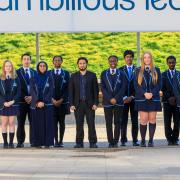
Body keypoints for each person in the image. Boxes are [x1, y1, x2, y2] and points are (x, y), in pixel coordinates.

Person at [69, 57, 99, 148]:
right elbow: (71, 91)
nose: (82, 65)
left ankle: (93, 142)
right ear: (78, 65)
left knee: (91, 124)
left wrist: (95, 103)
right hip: (78, 104)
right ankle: (79, 142)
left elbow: (95, 91)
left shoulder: (92, 75)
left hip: (89, 104)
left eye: (84, 63)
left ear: (86, 64)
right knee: (79, 124)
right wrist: (71, 104)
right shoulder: (73, 76)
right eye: (80, 63)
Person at [134, 51, 162, 147]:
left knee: (152, 119)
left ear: (151, 59)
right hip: (142, 98)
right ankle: (142, 140)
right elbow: (136, 85)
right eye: (145, 57)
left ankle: (150, 140)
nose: (147, 59)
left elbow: (159, 84)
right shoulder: (138, 70)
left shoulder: (156, 70)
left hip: (153, 99)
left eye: (148, 57)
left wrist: (152, 93)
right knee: (143, 119)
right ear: (142, 59)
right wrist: (144, 93)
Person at [101, 55, 126, 148]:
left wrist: (116, 98)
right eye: (111, 61)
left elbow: (123, 87)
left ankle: (115, 141)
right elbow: (103, 88)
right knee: (108, 122)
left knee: (117, 122)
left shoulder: (122, 73)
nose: (112, 62)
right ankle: (110, 141)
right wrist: (110, 98)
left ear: (117, 62)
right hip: (107, 102)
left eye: (114, 61)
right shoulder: (104, 73)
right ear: (108, 62)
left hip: (118, 102)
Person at [30, 61, 54, 148]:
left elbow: (51, 91)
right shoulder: (33, 78)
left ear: (46, 67)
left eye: (44, 66)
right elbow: (32, 91)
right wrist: (37, 102)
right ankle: (38, 143)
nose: (42, 67)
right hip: (36, 105)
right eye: (40, 66)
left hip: (47, 104)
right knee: (38, 124)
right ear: (38, 67)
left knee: (48, 124)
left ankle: (48, 142)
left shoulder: (50, 77)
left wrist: (44, 101)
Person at [16, 54, 37, 148]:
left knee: (33, 122)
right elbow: (16, 87)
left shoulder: (34, 72)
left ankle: (33, 141)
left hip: (32, 101)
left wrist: (32, 97)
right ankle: (20, 141)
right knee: (20, 122)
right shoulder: (16, 72)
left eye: (28, 59)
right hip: (21, 101)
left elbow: (37, 87)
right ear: (22, 61)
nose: (26, 61)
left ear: (30, 61)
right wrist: (24, 96)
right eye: (24, 59)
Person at [120, 50, 139, 146]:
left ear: (133, 58)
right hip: (123, 100)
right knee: (123, 120)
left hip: (134, 99)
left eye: (131, 56)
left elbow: (139, 85)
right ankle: (123, 140)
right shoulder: (120, 70)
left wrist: (132, 96)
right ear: (124, 58)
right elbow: (119, 85)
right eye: (127, 57)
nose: (129, 58)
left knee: (134, 120)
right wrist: (124, 97)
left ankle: (135, 140)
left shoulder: (138, 70)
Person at [50, 56, 70, 148]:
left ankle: (61, 140)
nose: (57, 62)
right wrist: (52, 99)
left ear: (62, 61)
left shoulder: (66, 73)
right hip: (52, 102)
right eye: (55, 60)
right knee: (53, 123)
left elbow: (68, 89)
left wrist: (62, 99)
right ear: (53, 62)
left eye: (59, 60)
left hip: (62, 103)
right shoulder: (49, 73)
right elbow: (47, 88)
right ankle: (55, 141)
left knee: (62, 122)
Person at [0, 60, 20, 148]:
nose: (8, 68)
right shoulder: (0, 78)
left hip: (13, 103)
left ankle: (11, 143)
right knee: (4, 123)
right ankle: (5, 143)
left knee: (12, 123)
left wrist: (12, 101)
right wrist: (4, 102)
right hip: (3, 104)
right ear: (4, 68)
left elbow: (18, 93)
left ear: (12, 67)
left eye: (10, 66)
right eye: (6, 66)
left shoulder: (16, 78)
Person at [162, 56, 179, 145]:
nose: (171, 64)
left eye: (173, 62)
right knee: (167, 121)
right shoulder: (163, 75)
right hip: (167, 101)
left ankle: (175, 138)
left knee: (177, 121)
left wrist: (176, 97)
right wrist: (169, 98)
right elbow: (162, 88)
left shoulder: (179, 74)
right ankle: (169, 138)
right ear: (167, 63)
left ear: (175, 62)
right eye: (170, 62)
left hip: (177, 102)